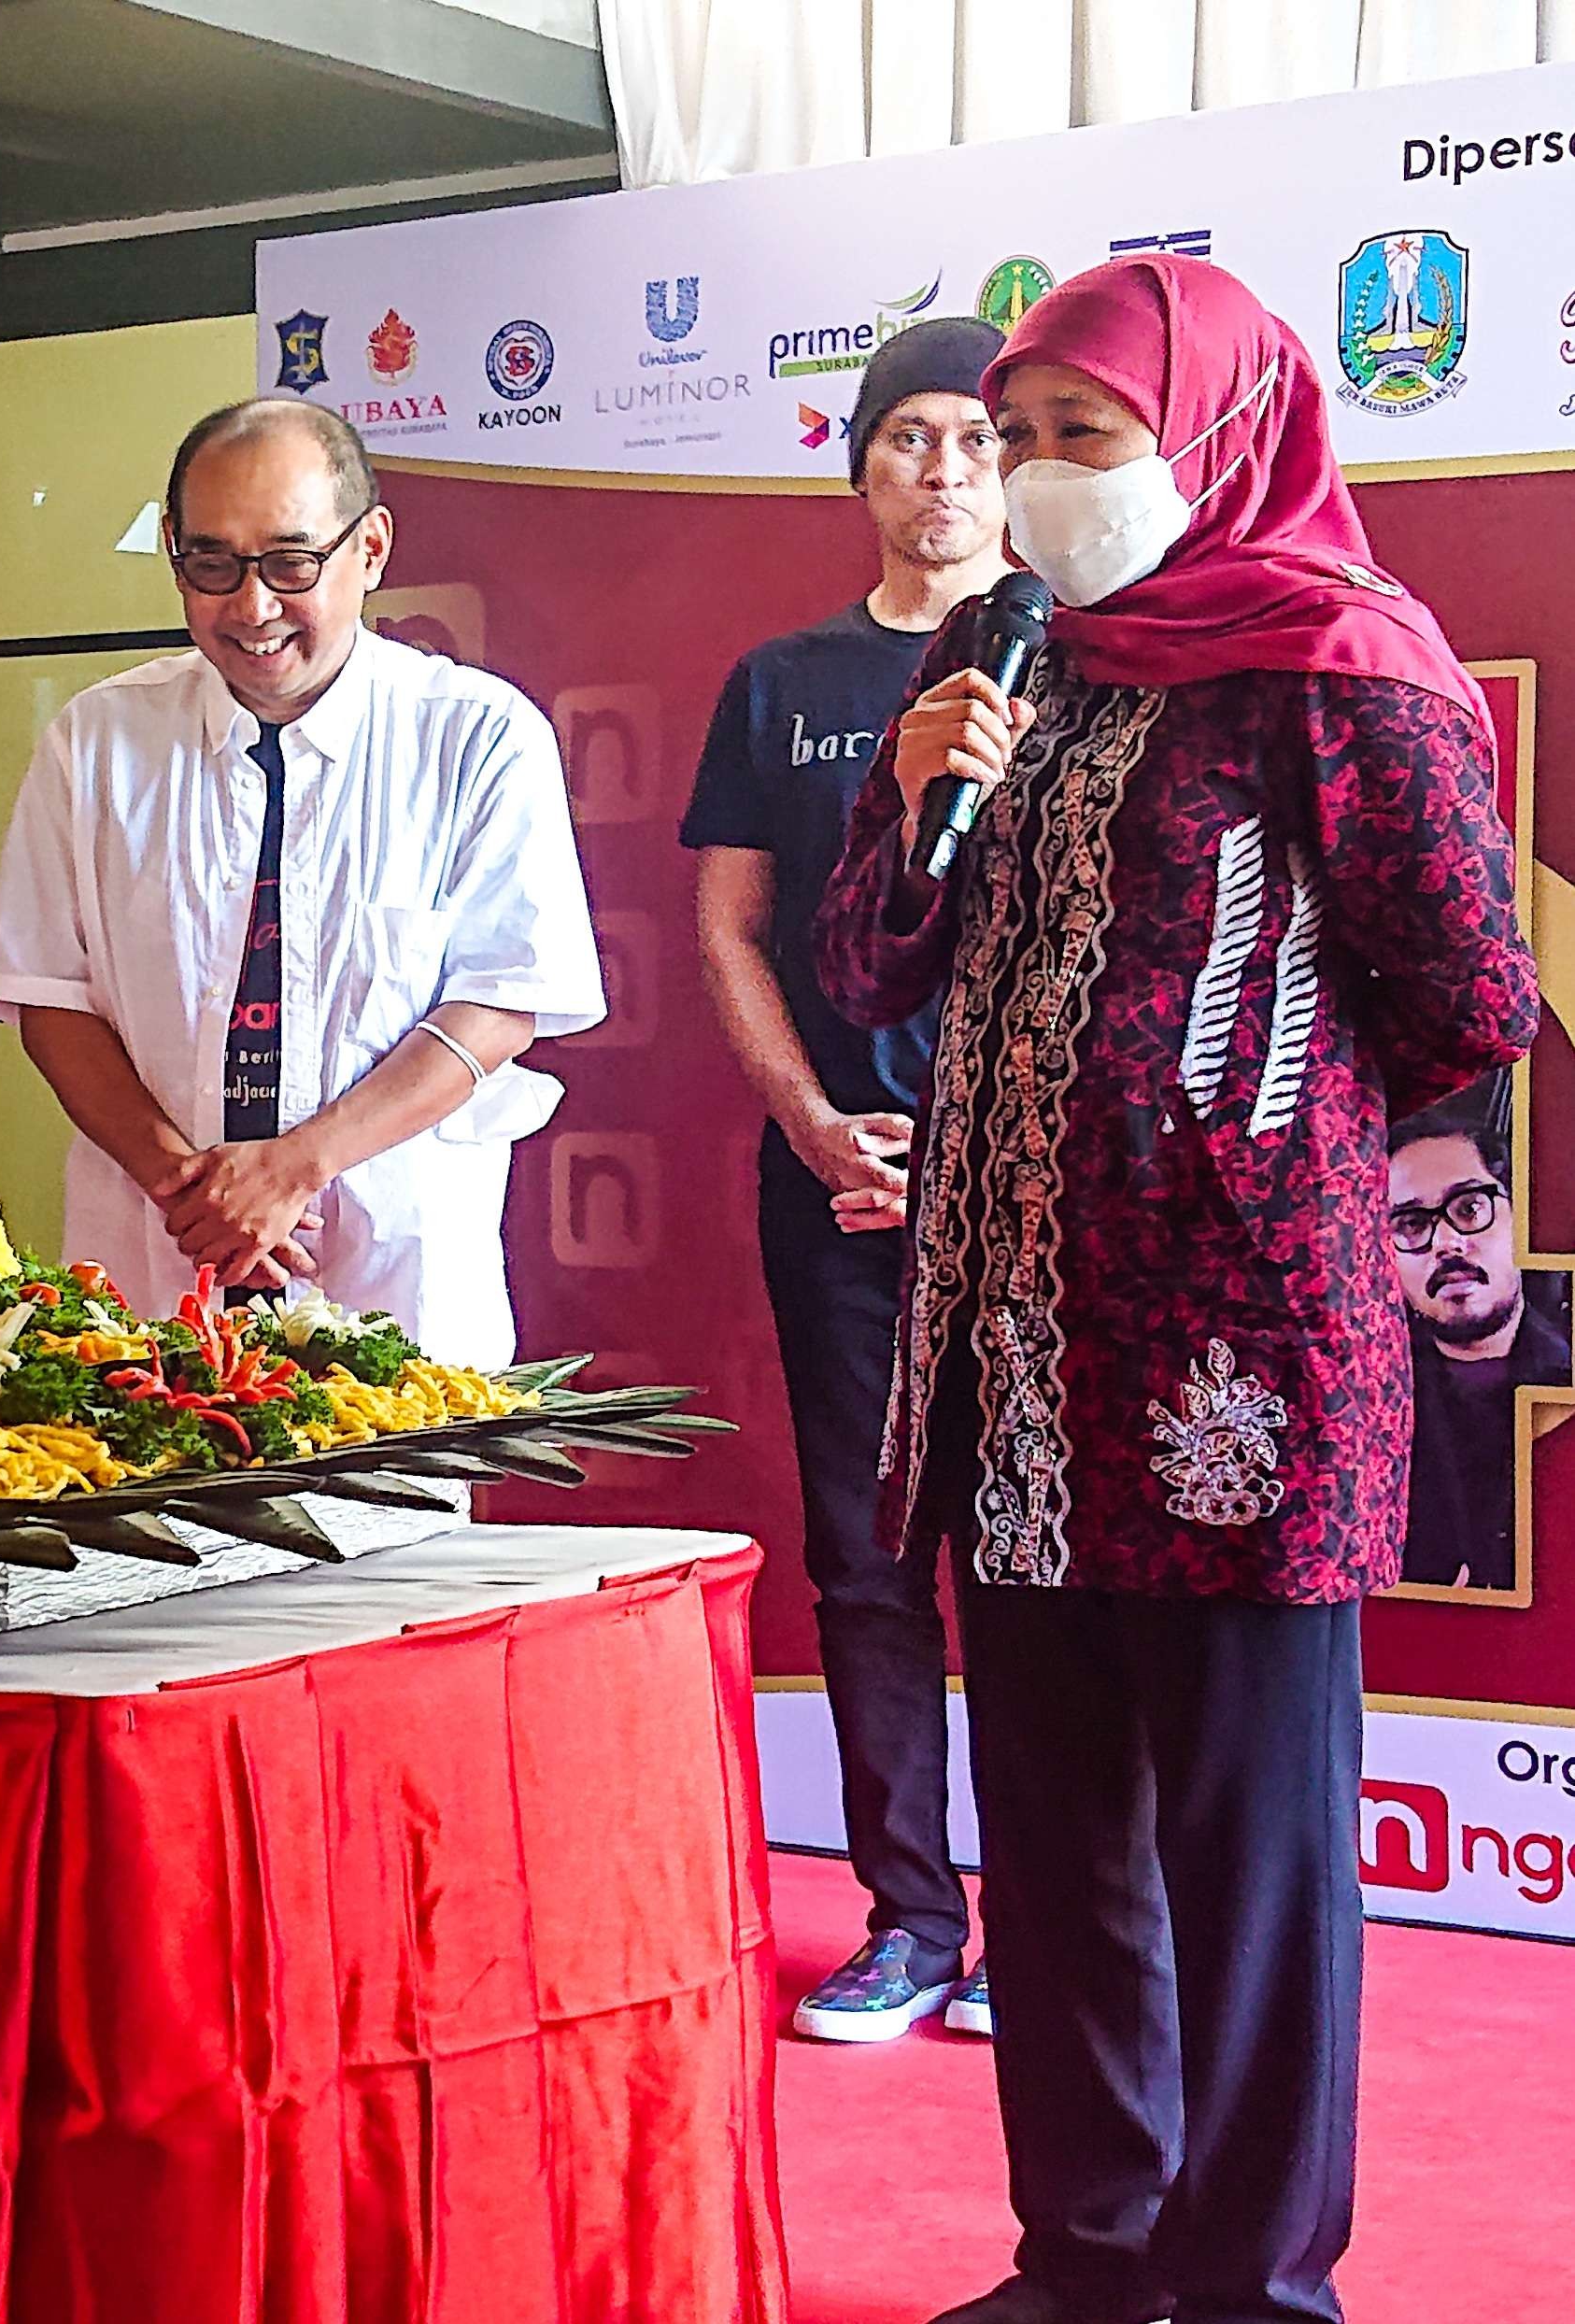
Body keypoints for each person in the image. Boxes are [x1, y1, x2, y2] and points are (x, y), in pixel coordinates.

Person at [816, 255, 1538, 2324]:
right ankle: (1088, 2248)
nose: (1035, 480)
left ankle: (1252, 2282)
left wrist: (1227, 1112)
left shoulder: (1339, 662)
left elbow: (1468, 993)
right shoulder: (998, 652)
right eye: (1016, 438)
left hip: (1239, 1349)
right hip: (1010, 1354)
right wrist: (901, 784)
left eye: (1079, 437)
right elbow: (873, 972)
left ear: (1208, 430)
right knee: (1048, 1845)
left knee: (1246, 1863)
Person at [0, 397, 601, 1360]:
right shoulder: (96, 742)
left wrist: (295, 1170)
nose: (251, 608)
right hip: (157, 1258)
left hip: (391, 1266)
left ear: (370, 548)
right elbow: (50, 996)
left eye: (290, 563)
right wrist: (197, 1197)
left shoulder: (475, 735)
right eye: (210, 564)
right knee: (151, 1498)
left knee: (386, 1510)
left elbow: (500, 1002)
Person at [683, 317, 1009, 2047]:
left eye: (973, 437)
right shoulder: (784, 682)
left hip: (1034, 1204)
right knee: (871, 1559)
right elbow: (729, 930)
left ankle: (1049, 1920)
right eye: (907, 439)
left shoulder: (1084, 665)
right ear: (858, 463)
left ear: (1016, 463)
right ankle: (908, 1918)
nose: (940, 471)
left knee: (1039, 1559)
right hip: (836, 1183)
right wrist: (814, 1118)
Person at [1390, 1103, 1565, 1591]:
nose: (1446, 1243)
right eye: (1410, 1224)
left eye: (1468, 1209)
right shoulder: (1366, 1407)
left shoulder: (1566, 1378)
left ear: (1521, 1216)